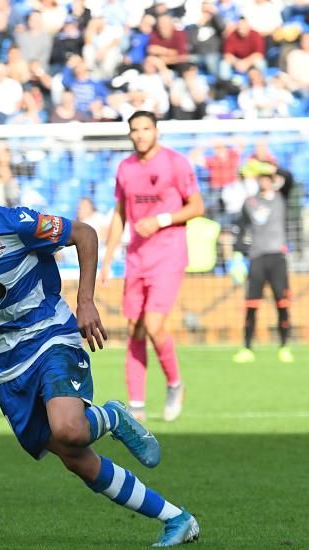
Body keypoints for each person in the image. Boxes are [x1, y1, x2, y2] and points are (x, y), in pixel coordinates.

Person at [0, 150, 200, 548]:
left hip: (48, 334)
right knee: (75, 456)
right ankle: (176, 518)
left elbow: (85, 233)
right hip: (1, 364)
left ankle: (112, 418)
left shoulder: (17, 223)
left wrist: (85, 301)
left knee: (70, 428)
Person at [99, 111, 204, 423]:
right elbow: (120, 214)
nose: (141, 134)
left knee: (155, 325)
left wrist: (160, 220)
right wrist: (107, 259)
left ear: (156, 131)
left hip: (168, 255)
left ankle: (175, 383)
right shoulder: (125, 168)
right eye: (135, 130)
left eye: (146, 128)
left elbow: (197, 206)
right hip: (136, 258)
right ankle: (137, 406)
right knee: (134, 329)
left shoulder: (175, 163)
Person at [232, 167, 295, 364]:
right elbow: (241, 230)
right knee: (251, 304)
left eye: (268, 178)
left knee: (282, 302)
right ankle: (247, 347)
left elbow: (289, 177)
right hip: (257, 257)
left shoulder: (280, 198)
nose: (264, 181)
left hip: (277, 257)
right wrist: (238, 253)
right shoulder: (250, 202)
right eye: (261, 178)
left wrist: (267, 165)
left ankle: (284, 346)